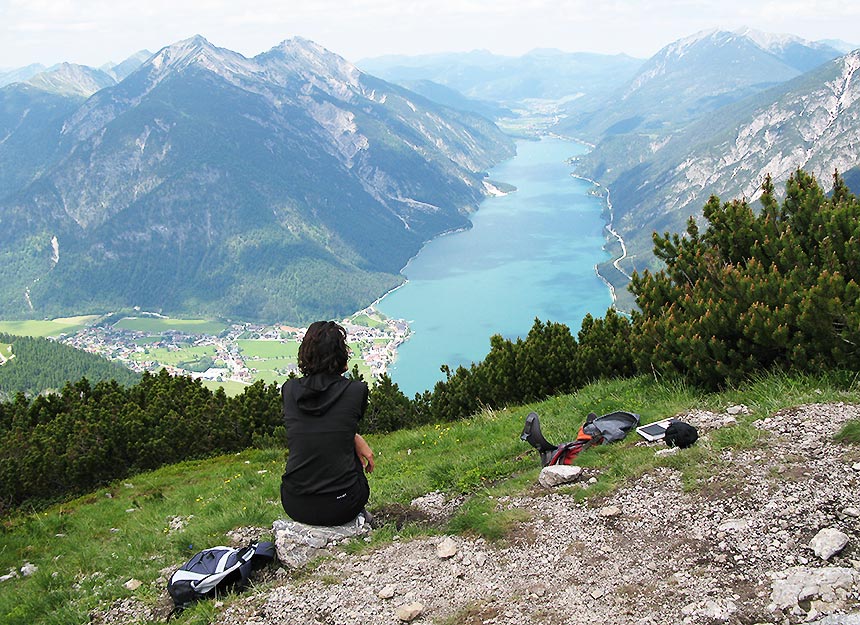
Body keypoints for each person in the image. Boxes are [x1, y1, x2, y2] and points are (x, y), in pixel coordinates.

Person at [280, 320, 375, 526]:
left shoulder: (289, 390)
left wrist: (353, 436)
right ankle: (360, 519)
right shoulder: (356, 391)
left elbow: (326, 426)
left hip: (295, 504)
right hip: (343, 506)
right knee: (346, 453)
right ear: (342, 354)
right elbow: (341, 425)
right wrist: (356, 438)